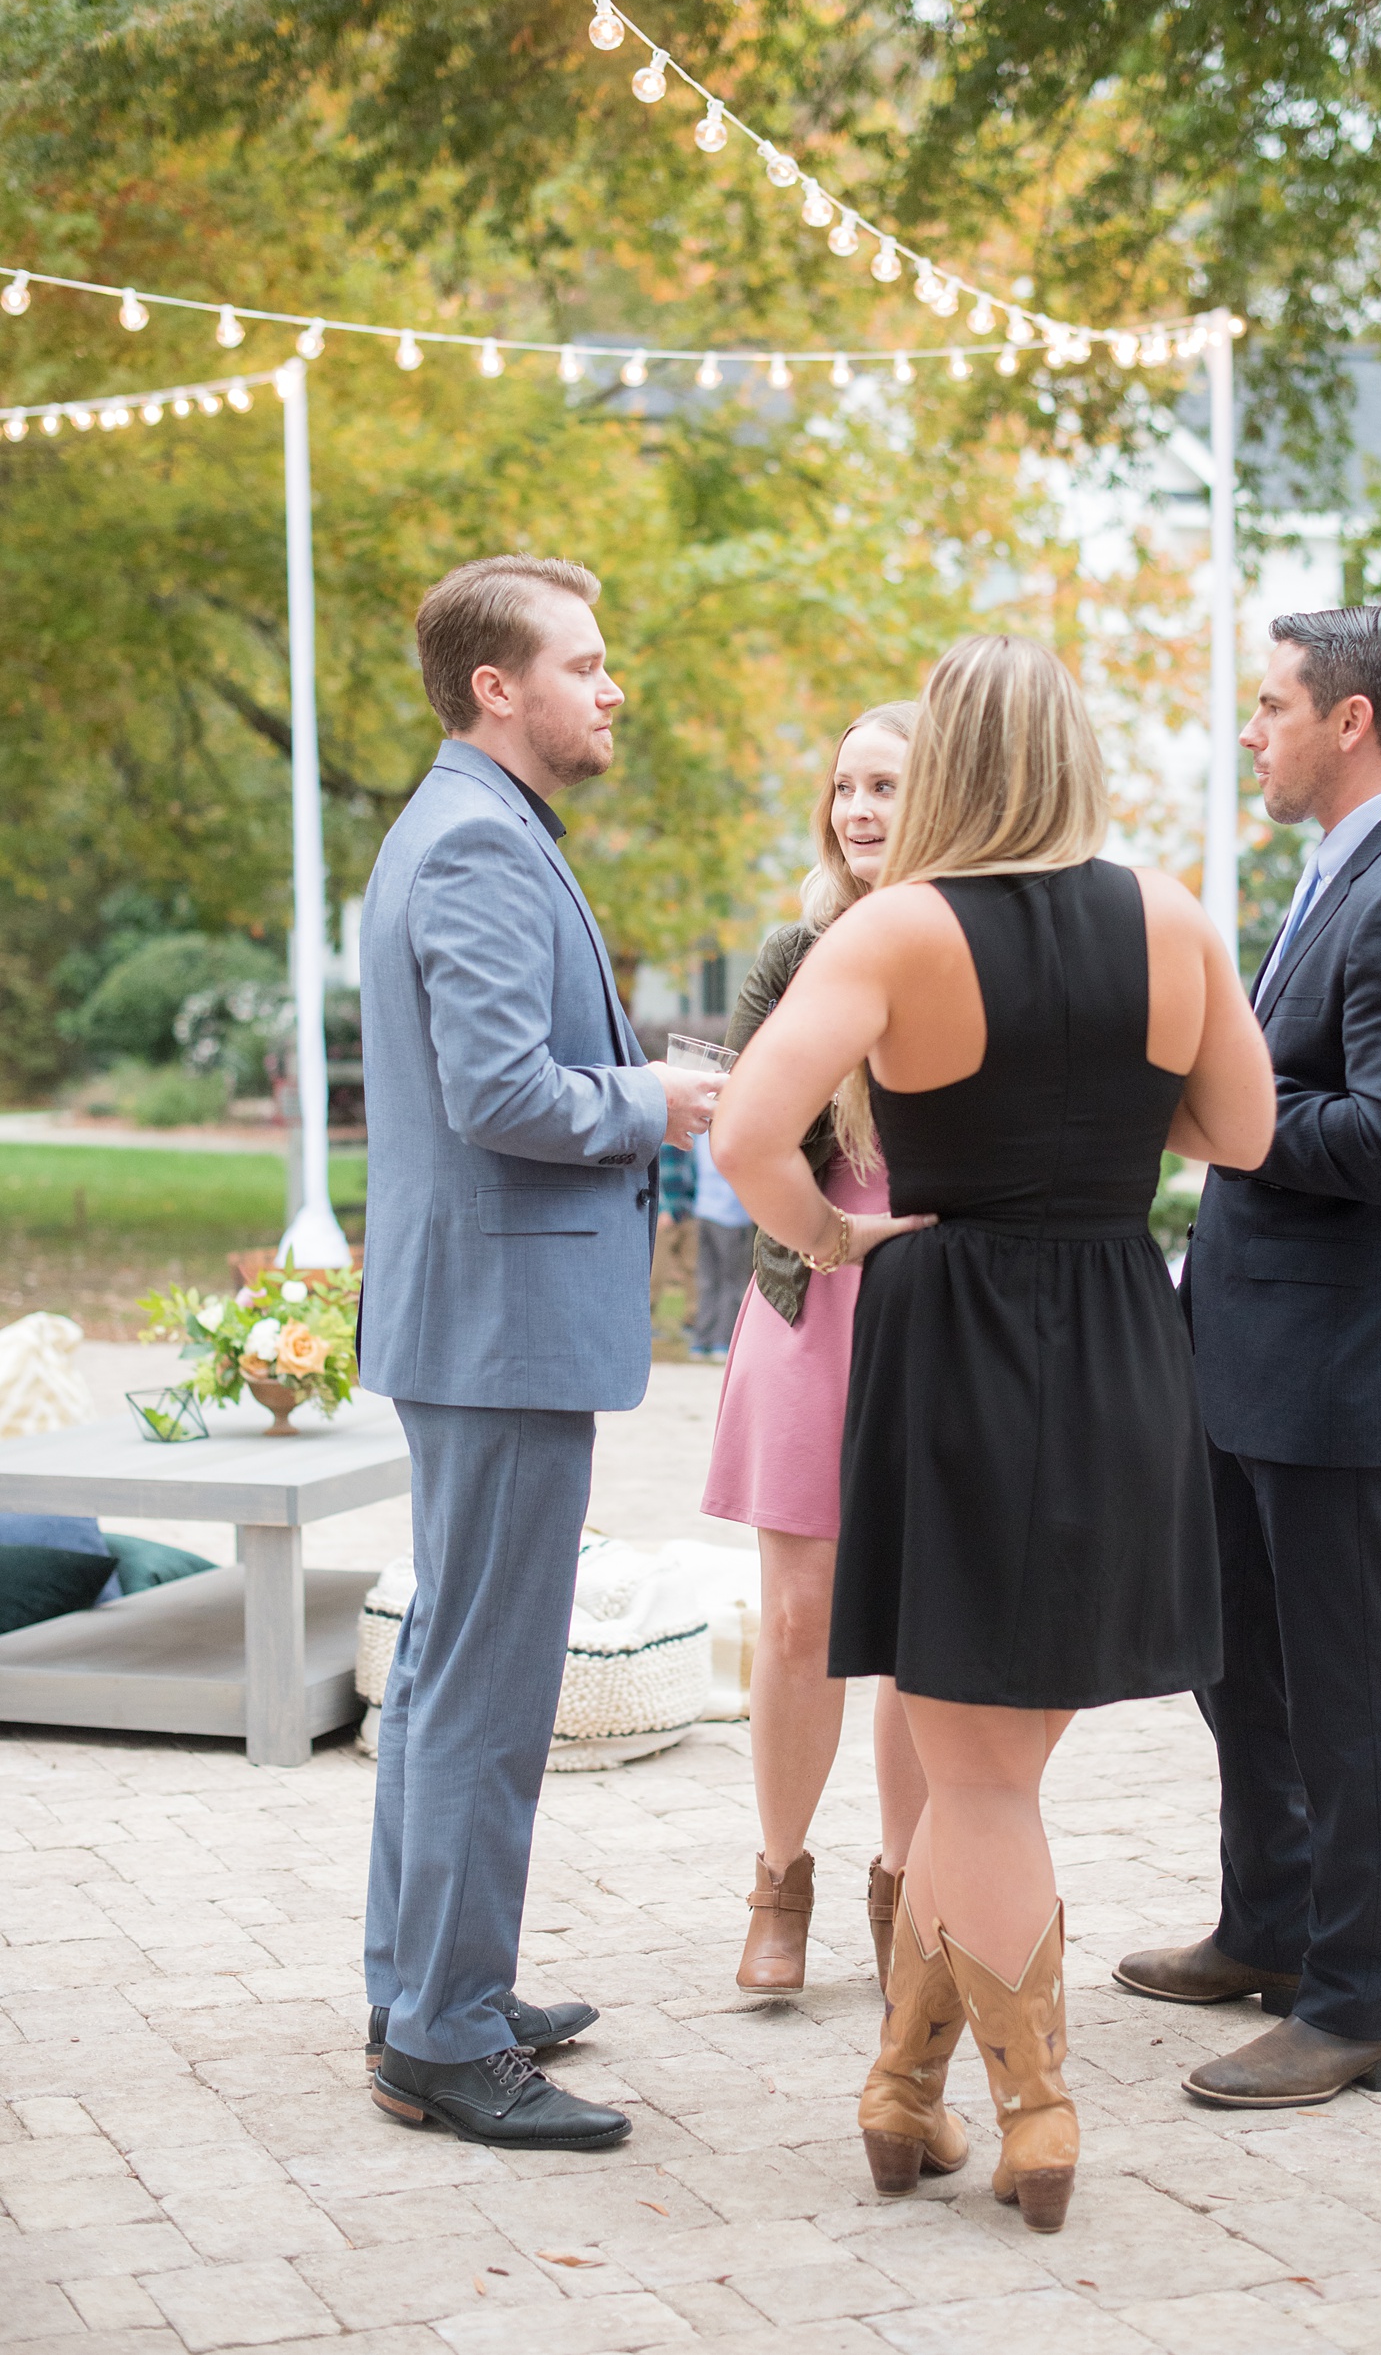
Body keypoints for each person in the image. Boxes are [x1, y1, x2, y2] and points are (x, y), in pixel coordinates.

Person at [714, 637, 1274, 2232]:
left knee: (979, 1781)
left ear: (951, 760)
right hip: (1114, 1326)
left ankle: (1036, 2110)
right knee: (1000, 1767)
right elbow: (1242, 1128)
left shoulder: (898, 929)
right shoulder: (1174, 918)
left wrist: (830, 1239)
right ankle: (901, 2085)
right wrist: (1107, 1111)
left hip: (950, 1322)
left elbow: (753, 1127)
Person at [1116, 606, 1381, 2111]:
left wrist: (1204, 1106)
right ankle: (1274, 1924)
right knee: (1247, 1663)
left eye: (1272, 704)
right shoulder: (1344, 872)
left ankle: (1366, 2004)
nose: (1251, 729)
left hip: (1349, 1368)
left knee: (1358, 1684)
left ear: (1350, 720)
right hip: (1253, 1347)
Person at [358, 554, 720, 2150]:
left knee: (450, 1664)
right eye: (583, 661)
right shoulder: (477, 851)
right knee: (490, 1684)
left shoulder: (472, 827)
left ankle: (425, 1984)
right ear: (497, 687)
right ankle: (443, 2036)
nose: (612, 683)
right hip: (500, 1329)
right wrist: (665, 1098)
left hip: (486, 1321)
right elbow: (507, 1095)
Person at [701, 705, 928, 1994]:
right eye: (843, 785)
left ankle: (903, 1887)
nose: (854, 809)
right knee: (797, 1616)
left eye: (883, 785)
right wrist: (829, 1226)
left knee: (914, 1627)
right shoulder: (797, 950)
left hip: (930, 1311)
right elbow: (744, 1117)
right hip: (810, 1297)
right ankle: (778, 1878)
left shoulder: (968, 944)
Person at [690, 1127, 753, 1361]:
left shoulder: (702, 1132)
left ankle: (701, 1340)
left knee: (707, 1280)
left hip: (704, 1209)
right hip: (731, 1215)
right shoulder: (734, 1130)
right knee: (733, 1282)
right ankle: (722, 1342)